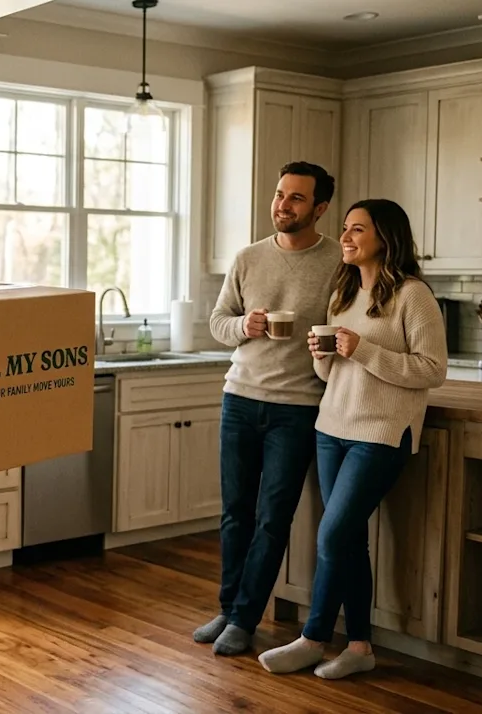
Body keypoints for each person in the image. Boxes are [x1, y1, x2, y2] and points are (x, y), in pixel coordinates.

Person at [258, 198, 447, 679]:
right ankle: (360, 647)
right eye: (345, 228)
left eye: (357, 229)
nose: (345, 236)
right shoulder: (343, 292)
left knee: (333, 533)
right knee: (350, 541)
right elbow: (330, 374)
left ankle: (313, 637)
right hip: (332, 428)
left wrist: (362, 350)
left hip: (382, 433)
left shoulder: (413, 295)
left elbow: (432, 370)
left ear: (386, 237)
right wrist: (322, 354)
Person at [199, 161, 343, 656]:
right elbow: (218, 322)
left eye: (297, 198)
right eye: (280, 194)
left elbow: (347, 330)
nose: (283, 205)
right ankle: (227, 607)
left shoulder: (337, 265)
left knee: (271, 517)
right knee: (234, 513)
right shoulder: (247, 258)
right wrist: (245, 327)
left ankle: (245, 618)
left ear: (320, 208)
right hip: (239, 397)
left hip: (298, 407)